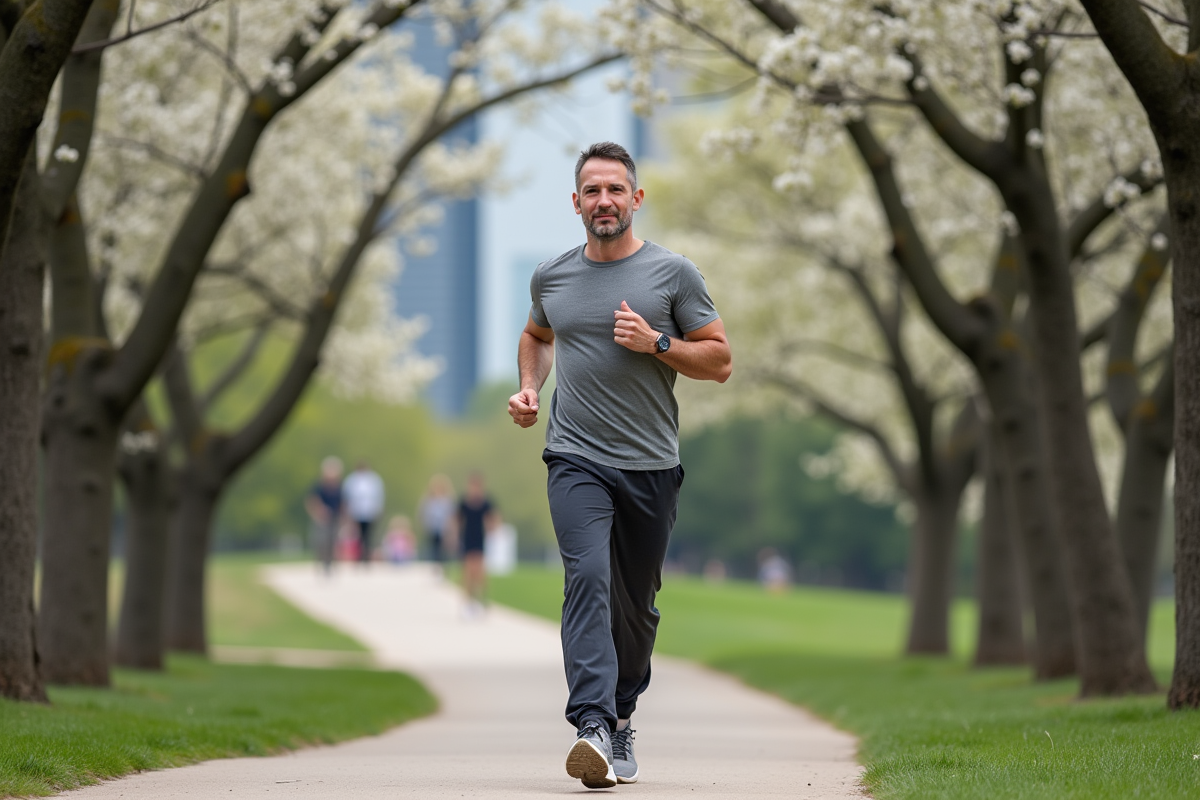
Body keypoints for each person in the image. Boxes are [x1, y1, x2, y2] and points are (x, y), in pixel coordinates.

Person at [508, 142, 732, 789]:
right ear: (575, 203)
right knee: (587, 579)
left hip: (651, 466)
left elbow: (719, 361)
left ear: (636, 199)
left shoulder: (673, 276)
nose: (603, 201)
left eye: (615, 189)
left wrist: (658, 343)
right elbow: (537, 335)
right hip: (575, 457)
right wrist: (530, 387)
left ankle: (622, 714)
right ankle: (592, 726)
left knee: (636, 608)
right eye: (591, 191)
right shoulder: (552, 276)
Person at [457, 471, 497, 616]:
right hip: (467, 538)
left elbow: (493, 517)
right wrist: (454, 536)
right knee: (468, 571)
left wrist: (492, 528)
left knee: (479, 571)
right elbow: (457, 519)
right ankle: (467, 602)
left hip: (480, 538)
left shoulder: (485, 502)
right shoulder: (464, 502)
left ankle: (481, 599)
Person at [304, 456, 344, 574]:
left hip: (334, 518)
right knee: (321, 542)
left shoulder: (339, 487)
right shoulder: (319, 486)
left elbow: (343, 503)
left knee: (332, 542)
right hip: (321, 519)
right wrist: (319, 511)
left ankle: (329, 564)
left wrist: (344, 517)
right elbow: (311, 500)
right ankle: (320, 562)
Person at [341, 459, 385, 565]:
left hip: (369, 511)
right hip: (356, 512)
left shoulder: (373, 480)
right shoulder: (352, 480)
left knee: (368, 535)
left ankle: (367, 556)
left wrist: (378, 510)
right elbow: (347, 497)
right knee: (358, 535)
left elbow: (378, 496)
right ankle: (359, 556)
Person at [418, 474, 456, 566]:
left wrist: (450, 530)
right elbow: (423, 514)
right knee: (432, 550)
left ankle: (442, 567)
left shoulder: (448, 501)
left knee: (443, 551)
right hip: (432, 529)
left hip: (444, 530)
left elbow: (452, 515)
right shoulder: (428, 500)